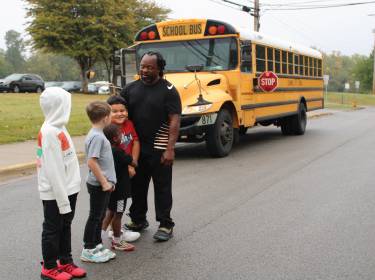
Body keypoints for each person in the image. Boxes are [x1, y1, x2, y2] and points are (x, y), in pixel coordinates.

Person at [120, 51, 182, 241]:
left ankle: (165, 224)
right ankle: (138, 219)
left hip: (160, 147)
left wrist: (170, 148)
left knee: (162, 187)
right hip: (137, 148)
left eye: (150, 67)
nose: (144, 70)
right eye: (142, 66)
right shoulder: (130, 89)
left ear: (160, 68)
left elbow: (175, 120)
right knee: (137, 186)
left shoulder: (169, 90)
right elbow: (117, 111)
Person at [38, 87, 86, 279]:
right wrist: (62, 200)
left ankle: (65, 261)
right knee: (53, 228)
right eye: (66, 104)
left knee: (65, 225)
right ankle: (49, 266)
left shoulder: (60, 127)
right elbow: (54, 170)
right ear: (58, 106)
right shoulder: (49, 132)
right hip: (56, 192)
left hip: (69, 188)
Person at [81, 100, 116, 263]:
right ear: (105, 118)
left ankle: (96, 244)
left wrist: (110, 180)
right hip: (98, 184)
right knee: (95, 216)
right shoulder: (97, 137)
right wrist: (104, 182)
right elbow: (91, 162)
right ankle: (88, 249)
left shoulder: (98, 134)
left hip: (104, 184)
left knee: (100, 215)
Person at [105, 95, 140, 242]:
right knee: (115, 205)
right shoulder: (107, 131)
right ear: (107, 114)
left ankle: (115, 231)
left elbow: (136, 143)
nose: (119, 114)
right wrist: (129, 167)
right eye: (114, 111)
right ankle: (116, 234)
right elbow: (114, 155)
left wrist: (133, 163)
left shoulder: (129, 125)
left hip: (129, 168)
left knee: (120, 203)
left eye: (122, 110)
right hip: (117, 174)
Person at [101, 124, 139, 250]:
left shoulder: (105, 152)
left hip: (110, 187)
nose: (122, 137)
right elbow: (134, 162)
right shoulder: (119, 152)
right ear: (114, 139)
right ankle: (117, 241)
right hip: (120, 190)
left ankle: (98, 237)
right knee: (118, 215)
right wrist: (130, 158)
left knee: (109, 213)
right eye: (120, 135)